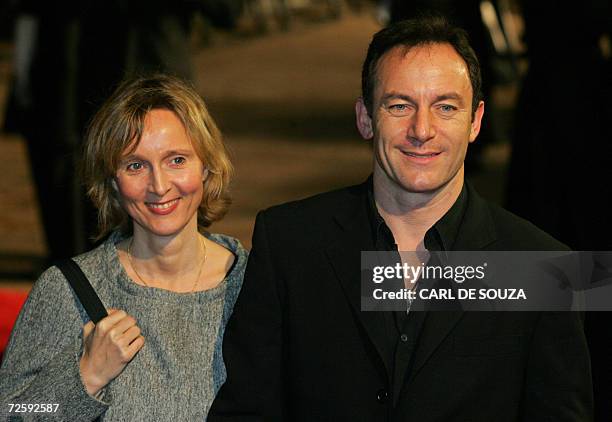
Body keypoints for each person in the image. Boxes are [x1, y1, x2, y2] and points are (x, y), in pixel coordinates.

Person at [208, 17, 592, 421]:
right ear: (365, 118)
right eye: (399, 105)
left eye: (445, 107)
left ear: (476, 121)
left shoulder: (542, 268)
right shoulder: (290, 243)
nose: (421, 129)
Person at [0, 74, 247, 421]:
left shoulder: (255, 283)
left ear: (206, 168)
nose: (159, 186)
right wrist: (85, 378)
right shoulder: (68, 290)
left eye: (176, 160)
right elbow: (12, 412)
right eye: (135, 166)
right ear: (113, 182)